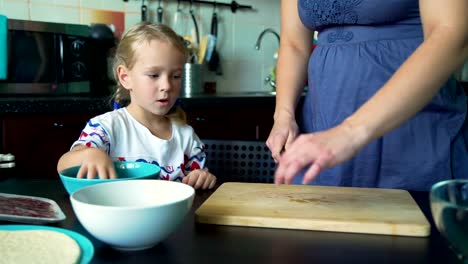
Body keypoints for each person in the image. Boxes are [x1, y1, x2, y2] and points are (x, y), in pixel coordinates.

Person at [267, 0, 468, 191]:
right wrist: (283, 115)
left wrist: (348, 133)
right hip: (323, 126)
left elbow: (452, 34)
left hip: (412, 128)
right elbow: (294, 45)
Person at [57, 22, 216, 190]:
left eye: (176, 76)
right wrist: (89, 154)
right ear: (125, 77)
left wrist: (203, 178)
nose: (167, 85)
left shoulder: (187, 137)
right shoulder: (105, 128)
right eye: (154, 75)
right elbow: (64, 164)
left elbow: (197, 182)